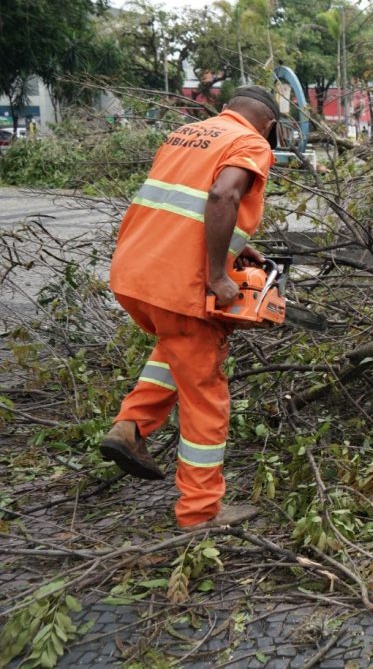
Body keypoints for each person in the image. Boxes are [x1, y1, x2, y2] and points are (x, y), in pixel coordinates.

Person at [99, 86, 279, 531]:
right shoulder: (250, 142)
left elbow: (184, 204)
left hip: (136, 273)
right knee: (206, 396)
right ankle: (200, 513)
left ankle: (131, 426)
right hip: (180, 283)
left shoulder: (188, 133)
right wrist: (218, 275)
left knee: (176, 346)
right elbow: (221, 197)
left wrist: (240, 248)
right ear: (270, 126)